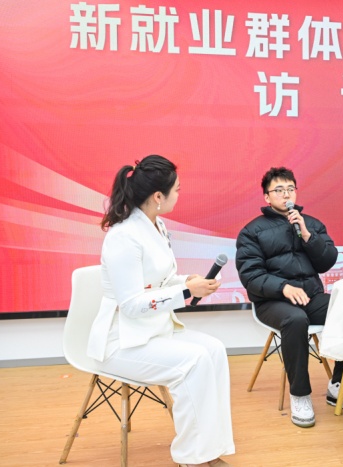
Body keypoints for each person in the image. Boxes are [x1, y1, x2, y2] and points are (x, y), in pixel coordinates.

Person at [87, 155, 234, 467]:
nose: (179, 195)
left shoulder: (158, 226)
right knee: (194, 361)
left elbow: (161, 280)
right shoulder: (123, 237)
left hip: (154, 330)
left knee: (215, 351)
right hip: (121, 342)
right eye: (176, 190)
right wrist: (186, 292)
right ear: (158, 196)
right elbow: (131, 304)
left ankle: (209, 449)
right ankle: (191, 458)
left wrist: (189, 281)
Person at [236, 167, 343, 428]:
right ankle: (299, 394)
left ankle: (341, 386)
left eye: (290, 189)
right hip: (272, 300)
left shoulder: (311, 224)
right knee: (296, 320)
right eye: (279, 190)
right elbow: (250, 275)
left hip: (310, 296)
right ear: (266, 197)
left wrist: (307, 235)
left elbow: (327, 262)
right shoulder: (252, 231)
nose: (286, 194)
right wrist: (283, 287)